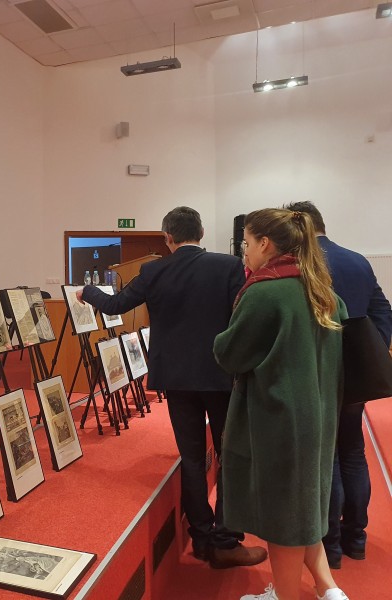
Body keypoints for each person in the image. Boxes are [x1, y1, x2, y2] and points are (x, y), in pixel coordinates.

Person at [77, 206, 266, 569]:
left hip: (177, 379)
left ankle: (201, 538)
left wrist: (87, 291)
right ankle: (226, 541)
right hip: (221, 375)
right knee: (230, 457)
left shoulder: (154, 271)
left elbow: (115, 305)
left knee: (192, 459)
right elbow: (241, 317)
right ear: (201, 233)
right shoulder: (228, 266)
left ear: (167, 238)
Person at [213, 208, 348, 600]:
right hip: (318, 416)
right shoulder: (322, 290)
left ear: (265, 243)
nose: (245, 251)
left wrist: (220, 338)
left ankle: (286, 596)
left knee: (284, 519)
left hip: (278, 420)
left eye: (247, 243)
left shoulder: (266, 292)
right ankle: (328, 589)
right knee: (302, 509)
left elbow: (230, 354)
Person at [285, 201, 392, 569]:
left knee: (326, 457)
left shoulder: (300, 263)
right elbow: (383, 310)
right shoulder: (357, 260)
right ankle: (356, 537)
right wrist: (370, 354)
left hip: (316, 372)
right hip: (356, 375)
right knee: (353, 451)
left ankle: (329, 545)